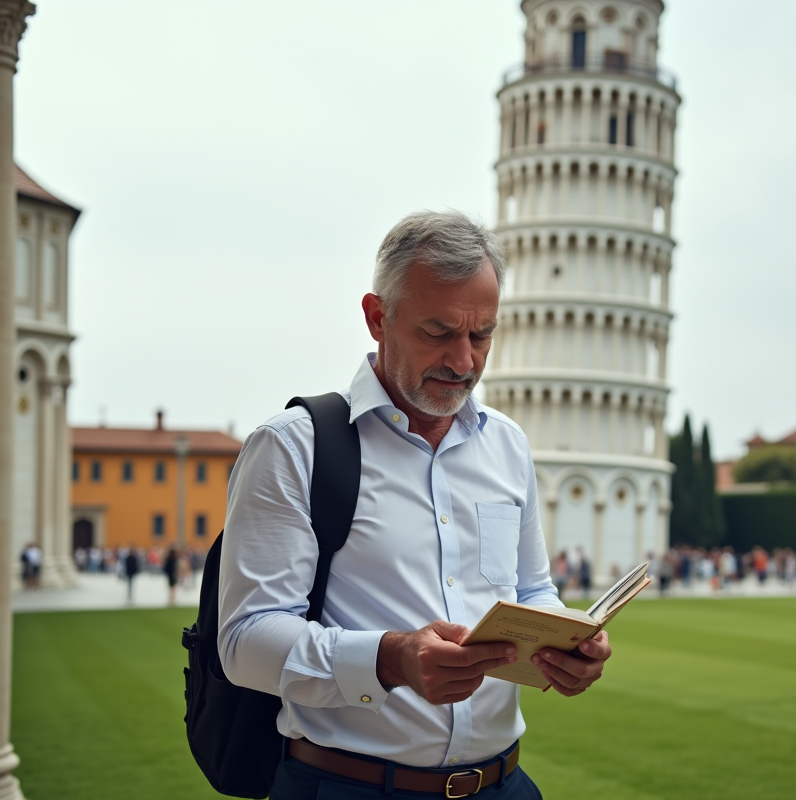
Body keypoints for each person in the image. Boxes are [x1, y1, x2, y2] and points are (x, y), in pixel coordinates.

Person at [218, 211, 608, 799]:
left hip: (504, 784)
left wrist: (565, 642)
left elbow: (531, 590)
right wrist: (390, 659)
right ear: (378, 317)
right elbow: (245, 641)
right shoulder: (294, 446)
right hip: (348, 786)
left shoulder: (507, 444)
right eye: (438, 332)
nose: (465, 361)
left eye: (481, 335)